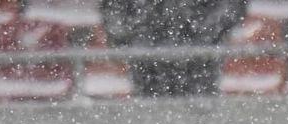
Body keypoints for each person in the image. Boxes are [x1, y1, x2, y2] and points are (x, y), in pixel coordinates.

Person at [100, 0, 247, 97]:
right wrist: (139, 33)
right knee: (150, 117)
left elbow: (230, 8)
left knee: (201, 115)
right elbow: (113, 11)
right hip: (148, 63)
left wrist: (201, 32)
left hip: (200, 62)